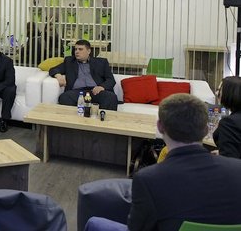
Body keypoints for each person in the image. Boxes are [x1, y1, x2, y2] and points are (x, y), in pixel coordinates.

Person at [85, 93, 241, 231]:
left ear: (160, 127)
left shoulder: (148, 179)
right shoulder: (237, 169)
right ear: (206, 130)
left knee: (94, 223)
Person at [48, 39, 118, 110]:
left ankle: (103, 117)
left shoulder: (101, 62)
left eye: (80, 49)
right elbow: (53, 69)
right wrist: (58, 75)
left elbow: (111, 80)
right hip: (77, 92)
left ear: (88, 51)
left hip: (96, 91)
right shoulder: (69, 62)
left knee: (111, 97)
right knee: (64, 98)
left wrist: (101, 87)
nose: (77, 52)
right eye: (76, 49)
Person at [213, 76, 241, 158]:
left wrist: (223, 155)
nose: (216, 93)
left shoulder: (230, 123)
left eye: (219, 90)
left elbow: (230, 159)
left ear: (230, 93)